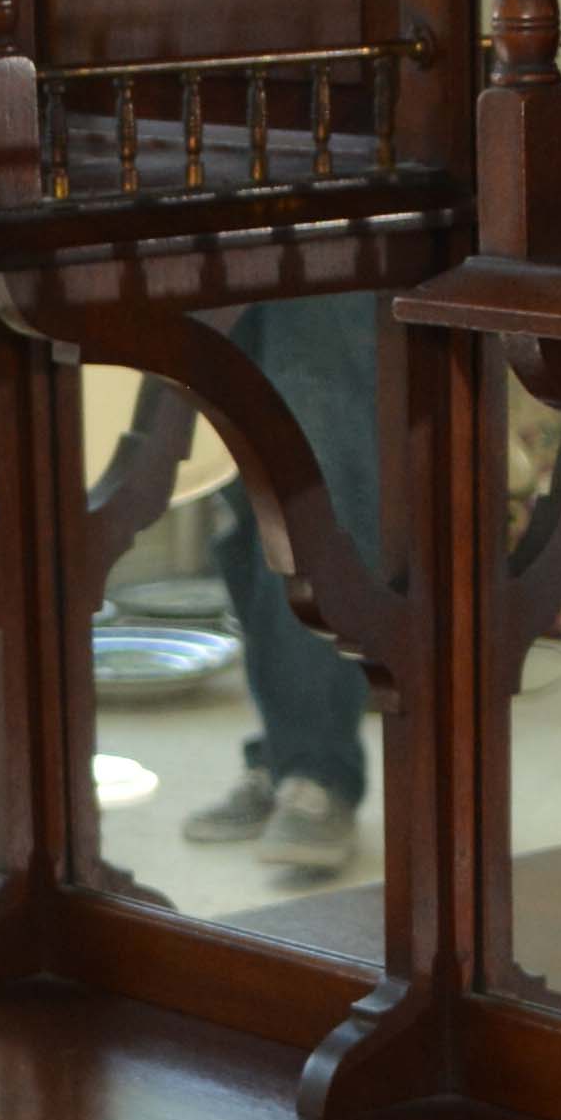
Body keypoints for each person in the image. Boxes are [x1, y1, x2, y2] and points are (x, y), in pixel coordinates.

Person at [179, 287, 384, 879]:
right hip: (212, 232)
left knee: (311, 475)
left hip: (332, 241)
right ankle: (282, 752)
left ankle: (316, 770)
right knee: (235, 488)